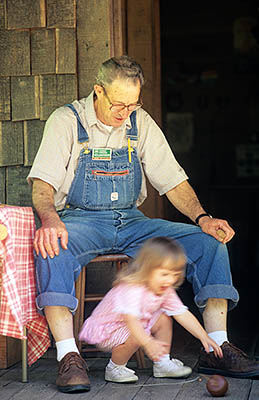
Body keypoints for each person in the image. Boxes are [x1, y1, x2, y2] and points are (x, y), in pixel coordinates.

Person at [28, 55, 259, 393]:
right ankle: (68, 356)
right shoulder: (66, 120)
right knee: (51, 246)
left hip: (133, 221)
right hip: (81, 219)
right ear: (98, 92)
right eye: (118, 105)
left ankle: (217, 347)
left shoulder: (140, 122)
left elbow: (172, 180)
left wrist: (203, 217)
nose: (125, 113)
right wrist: (49, 219)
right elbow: (43, 185)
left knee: (209, 243)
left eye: (132, 105)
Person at [79, 237, 223, 383]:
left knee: (164, 318)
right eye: (164, 274)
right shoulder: (132, 289)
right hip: (108, 330)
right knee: (137, 335)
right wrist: (148, 342)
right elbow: (132, 322)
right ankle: (115, 368)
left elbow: (182, 313)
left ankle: (162, 363)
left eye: (174, 275)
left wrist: (203, 335)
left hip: (133, 325)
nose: (169, 280)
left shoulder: (165, 289)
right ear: (147, 269)